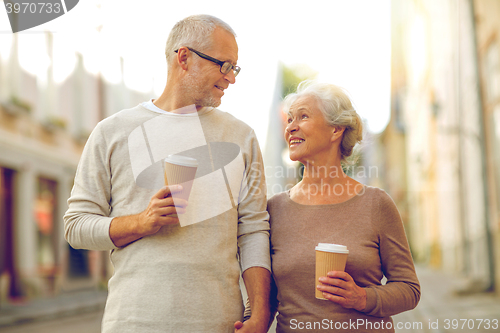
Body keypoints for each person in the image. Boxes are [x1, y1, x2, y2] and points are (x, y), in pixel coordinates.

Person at [64, 15, 271, 333]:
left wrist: (259, 312)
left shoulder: (241, 137)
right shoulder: (112, 132)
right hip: (134, 322)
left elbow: (254, 231)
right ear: (184, 57)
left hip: (219, 323)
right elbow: (76, 227)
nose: (231, 78)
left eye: (235, 67)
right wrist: (142, 221)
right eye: (224, 65)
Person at [264, 81, 420, 332]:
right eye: (290, 119)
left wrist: (362, 297)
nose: (291, 127)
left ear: (336, 130)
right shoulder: (274, 209)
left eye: (303, 117)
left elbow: (409, 289)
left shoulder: (376, 204)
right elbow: (265, 298)